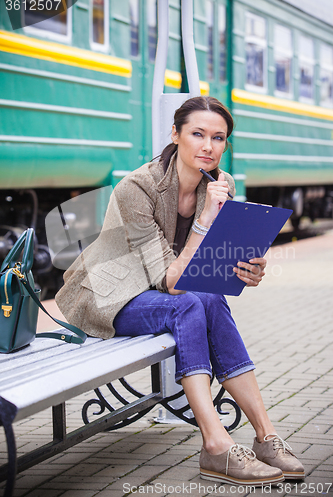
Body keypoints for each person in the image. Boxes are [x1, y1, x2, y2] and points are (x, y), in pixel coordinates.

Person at [55, 96, 304, 486]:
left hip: (161, 288)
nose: (208, 146)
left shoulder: (220, 184)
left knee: (210, 297)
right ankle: (216, 445)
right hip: (108, 294)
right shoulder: (136, 187)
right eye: (197, 134)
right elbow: (171, 282)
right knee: (187, 304)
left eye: (218, 138)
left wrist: (245, 270)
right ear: (176, 134)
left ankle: (266, 436)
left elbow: (207, 267)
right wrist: (204, 221)